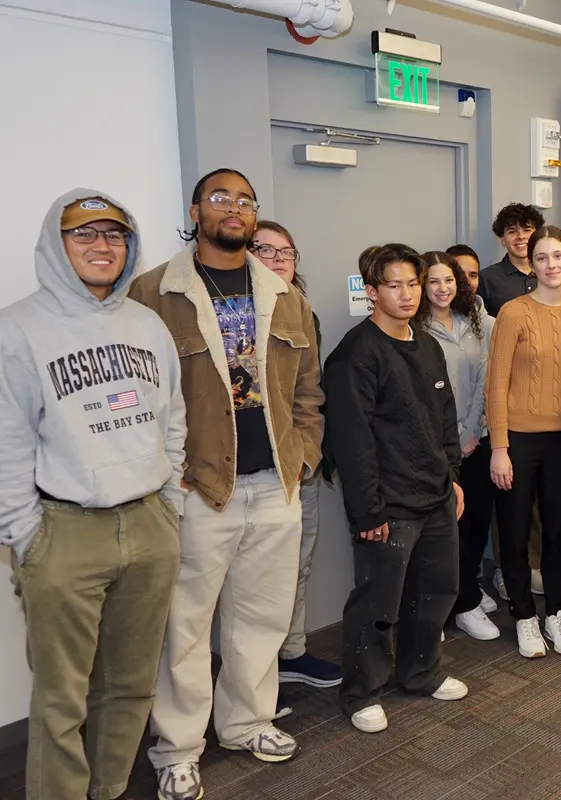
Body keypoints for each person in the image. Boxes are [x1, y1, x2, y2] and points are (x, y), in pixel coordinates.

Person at [129, 169, 324, 799]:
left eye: (245, 201)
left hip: (275, 483)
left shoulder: (283, 294)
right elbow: (140, 397)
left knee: (261, 618)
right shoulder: (155, 292)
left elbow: (308, 391)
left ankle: (246, 722)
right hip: (198, 487)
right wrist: (166, 476)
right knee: (183, 627)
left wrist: (303, 455)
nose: (234, 209)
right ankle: (178, 747)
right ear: (195, 210)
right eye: (221, 198)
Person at [0, 192, 185, 800]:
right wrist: (27, 536)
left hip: (149, 525)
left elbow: (173, 419)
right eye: (85, 235)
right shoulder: (17, 328)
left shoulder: (147, 324)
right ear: (57, 245)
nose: (102, 247)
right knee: (62, 699)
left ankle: (107, 791)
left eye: (115, 236)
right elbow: (7, 442)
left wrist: (169, 504)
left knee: (131, 686)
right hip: (63, 530)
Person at [322, 244, 467, 735]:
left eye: (413, 284)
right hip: (388, 506)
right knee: (377, 604)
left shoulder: (427, 345)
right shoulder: (355, 355)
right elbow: (352, 440)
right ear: (372, 292)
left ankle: (420, 673)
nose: (407, 295)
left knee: (435, 593)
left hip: (435, 497)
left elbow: (444, 421)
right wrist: (368, 513)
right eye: (394, 285)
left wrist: (452, 479)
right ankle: (361, 691)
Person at [249, 221, 341, 710]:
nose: (281, 259)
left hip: (295, 463)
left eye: (288, 251)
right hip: (248, 472)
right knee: (254, 580)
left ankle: (291, 654)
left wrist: (307, 450)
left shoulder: (302, 312)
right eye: (266, 250)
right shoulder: (235, 314)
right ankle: (255, 679)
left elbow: (310, 390)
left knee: (297, 564)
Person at [486, 225, 561, 659]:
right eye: (542, 257)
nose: (551, 265)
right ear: (533, 262)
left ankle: (556, 613)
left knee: (560, 533)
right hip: (519, 442)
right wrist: (500, 448)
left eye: (558, 256)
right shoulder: (512, 312)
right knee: (514, 532)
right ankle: (524, 615)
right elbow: (495, 384)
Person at [415, 251, 499, 640]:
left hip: (477, 438)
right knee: (450, 529)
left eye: (449, 280)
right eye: (433, 281)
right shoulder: (415, 331)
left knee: (478, 522)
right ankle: (459, 603)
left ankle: (466, 589)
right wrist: (453, 436)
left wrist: (471, 430)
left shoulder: (477, 325)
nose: (442, 288)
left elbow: (486, 380)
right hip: (438, 445)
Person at [478, 202, 561, 314]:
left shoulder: (554, 273)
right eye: (512, 232)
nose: (521, 236)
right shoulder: (486, 278)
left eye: (527, 230)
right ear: (503, 239)